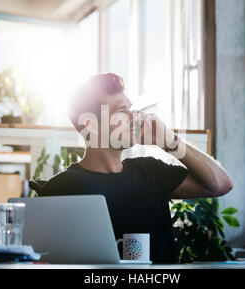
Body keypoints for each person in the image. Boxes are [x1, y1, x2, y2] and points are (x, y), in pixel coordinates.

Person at [41, 73, 233, 264]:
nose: (133, 117)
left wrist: (168, 140)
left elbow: (220, 184)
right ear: (91, 125)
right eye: (121, 111)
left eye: (131, 109)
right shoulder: (61, 189)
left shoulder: (150, 171)